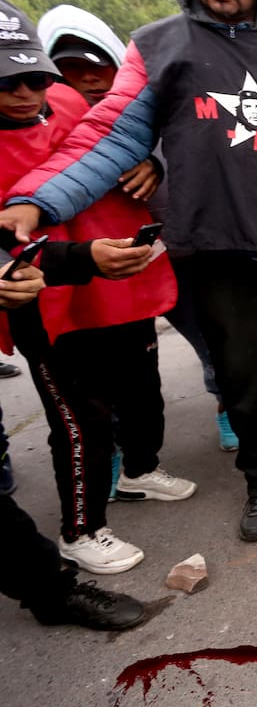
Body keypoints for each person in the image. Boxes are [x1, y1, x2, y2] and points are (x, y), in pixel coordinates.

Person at [1, 0, 257, 543]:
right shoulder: (158, 45)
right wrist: (35, 200)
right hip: (217, 249)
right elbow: (112, 137)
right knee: (245, 380)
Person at [0, 0, 186, 574]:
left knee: (141, 389)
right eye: (8, 82)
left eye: (36, 76)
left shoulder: (65, 103)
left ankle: (138, 471)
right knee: (82, 422)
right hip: (45, 301)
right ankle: (81, 529)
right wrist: (84, 257)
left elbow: (121, 133)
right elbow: (10, 245)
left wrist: (154, 159)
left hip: (117, 285)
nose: (28, 92)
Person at [39, 2, 239, 454]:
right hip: (92, 267)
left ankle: (228, 409)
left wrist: (155, 163)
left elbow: (194, 144)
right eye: (71, 68)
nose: (90, 78)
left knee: (215, 342)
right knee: (107, 375)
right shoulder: (43, 123)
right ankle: (113, 459)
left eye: (99, 66)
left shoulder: (160, 101)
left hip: (179, 253)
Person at [1, 243, 148, 630]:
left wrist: (14, 270)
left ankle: (48, 590)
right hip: (48, 321)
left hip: (69, 298)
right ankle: (78, 534)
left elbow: (11, 245)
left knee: (108, 407)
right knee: (80, 424)